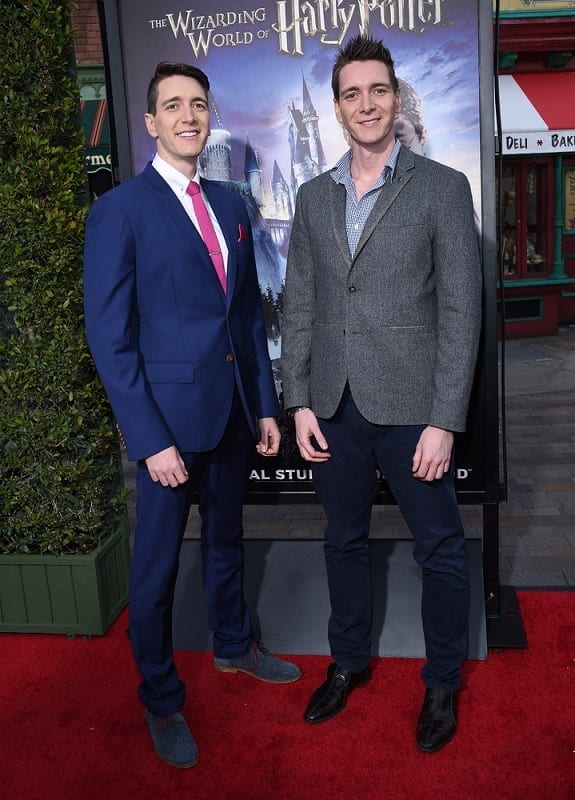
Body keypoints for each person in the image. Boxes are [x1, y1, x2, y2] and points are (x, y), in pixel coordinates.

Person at [83, 61, 301, 770]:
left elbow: (241, 318)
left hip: (234, 417)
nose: (187, 115)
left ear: (208, 117)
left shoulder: (234, 206)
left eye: (197, 104)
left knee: (227, 543)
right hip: (167, 435)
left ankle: (235, 647)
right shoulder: (120, 210)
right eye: (172, 105)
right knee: (152, 575)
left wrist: (264, 408)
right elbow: (110, 339)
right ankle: (161, 698)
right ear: (149, 123)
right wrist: (148, 440)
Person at [281, 35, 481, 753]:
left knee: (439, 549)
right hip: (332, 407)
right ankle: (346, 662)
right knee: (341, 542)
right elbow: (298, 302)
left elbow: (461, 309)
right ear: (336, 107)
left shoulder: (440, 187)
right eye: (350, 93)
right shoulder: (311, 197)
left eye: (377, 90)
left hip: (412, 409)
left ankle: (442, 681)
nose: (365, 104)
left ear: (395, 98)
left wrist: (443, 420)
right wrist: (299, 400)